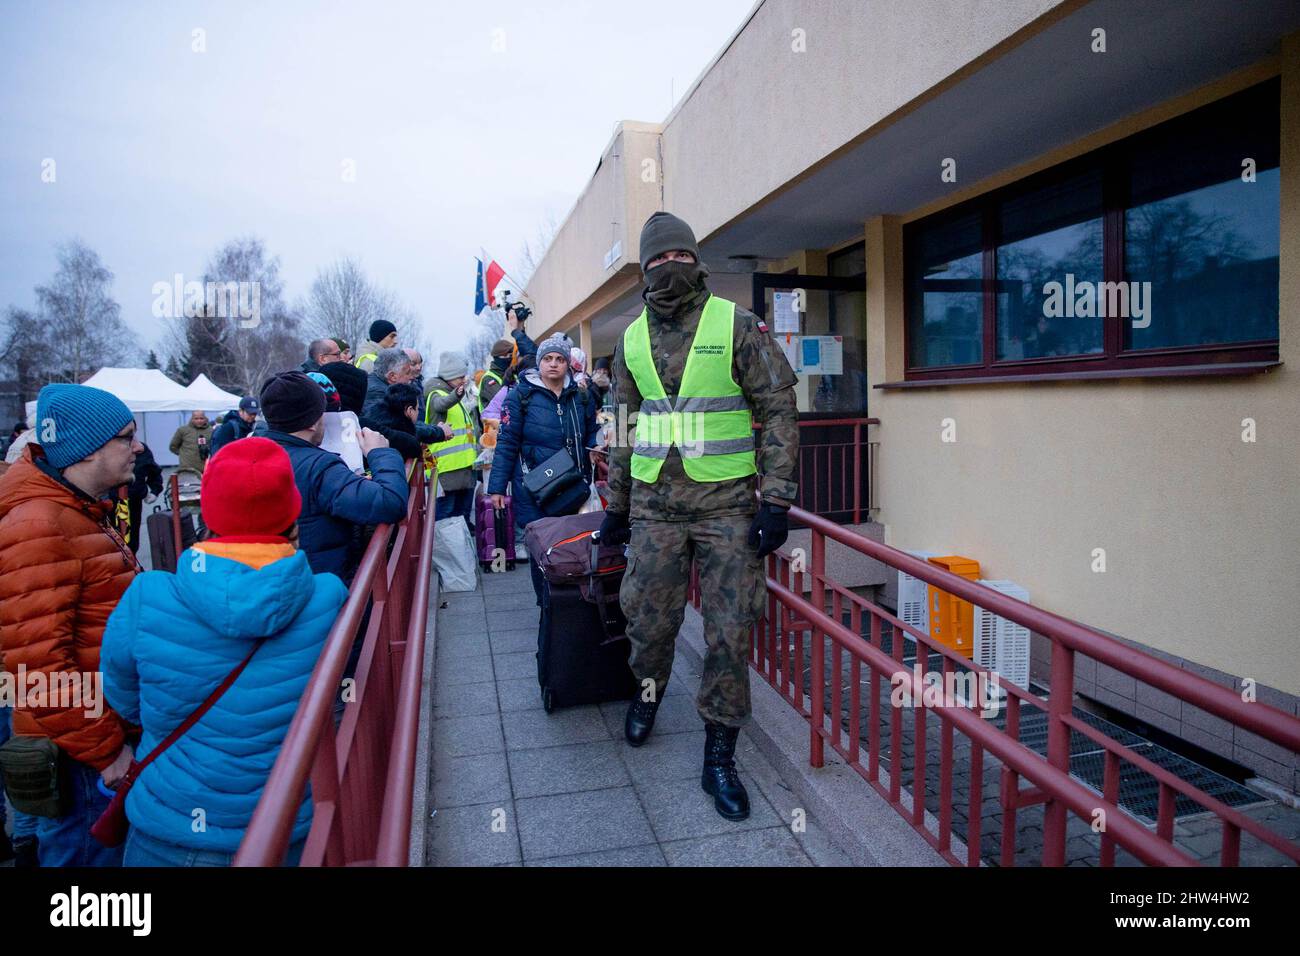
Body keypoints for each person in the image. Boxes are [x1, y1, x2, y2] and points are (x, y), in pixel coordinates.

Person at [598, 211, 798, 822]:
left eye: (677, 255)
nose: (668, 267)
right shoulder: (630, 338)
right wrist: (617, 508)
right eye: (656, 260)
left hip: (727, 508)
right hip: (656, 506)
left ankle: (720, 751)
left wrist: (778, 500)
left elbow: (780, 408)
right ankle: (648, 693)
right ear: (644, 267)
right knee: (647, 618)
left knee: (729, 629)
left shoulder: (737, 324)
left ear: (696, 258)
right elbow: (624, 430)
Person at [100, 437, 347, 867]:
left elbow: (122, 697)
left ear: (208, 513)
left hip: (167, 822)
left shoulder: (147, 596)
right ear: (292, 512)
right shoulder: (328, 598)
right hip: (280, 824)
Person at [0, 383, 142, 865]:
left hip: (90, 739)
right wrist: (107, 754)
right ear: (87, 449)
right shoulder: (41, 525)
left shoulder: (75, 512)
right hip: (81, 755)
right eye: (127, 437)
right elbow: (34, 668)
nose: (138, 447)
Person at [259, 371, 408, 584]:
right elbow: (390, 503)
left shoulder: (251, 456)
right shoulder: (319, 466)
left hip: (271, 585)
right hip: (322, 589)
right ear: (312, 421)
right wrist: (380, 453)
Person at [489, 335, 602, 602]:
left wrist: (595, 444)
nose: (553, 364)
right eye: (548, 359)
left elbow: (591, 431)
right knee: (542, 550)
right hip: (534, 488)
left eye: (560, 359)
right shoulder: (520, 395)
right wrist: (496, 489)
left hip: (573, 485)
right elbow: (507, 442)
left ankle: (572, 606)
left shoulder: (581, 395)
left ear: (567, 364)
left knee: (574, 546)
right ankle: (548, 606)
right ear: (540, 363)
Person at [424, 352, 476, 526]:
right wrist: (457, 395)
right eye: (460, 376)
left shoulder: (451, 391)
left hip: (463, 469)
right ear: (450, 376)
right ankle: (443, 553)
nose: (464, 379)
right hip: (445, 471)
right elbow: (441, 404)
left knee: (461, 518)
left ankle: (461, 552)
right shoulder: (436, 392)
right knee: (445, 519)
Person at [362, 349, 449, 449]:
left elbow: (406, 423)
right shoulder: (376, 393)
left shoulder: (382, 388)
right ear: (392, 376)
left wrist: (435, 428)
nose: (412, 377)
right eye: (407, 373)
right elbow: (401, 427)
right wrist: (439, 432)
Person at [364, 383, 422, 462]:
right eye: (417, 409)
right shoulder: (404, 440)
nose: (418, 412)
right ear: (409, 410)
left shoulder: (372, 416)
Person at [125, 441, 164, 554]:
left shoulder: (139, 448)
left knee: (131, 541)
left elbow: (152, 469)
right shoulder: (104, 446)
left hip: (133, 502)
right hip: (107, 502)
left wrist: (154, 491)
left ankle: (130, 565)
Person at [477, 338, 515, 417]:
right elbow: (504, 402)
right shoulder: (489, 379)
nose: (510, 358)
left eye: (511, 355)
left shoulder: (512, 374)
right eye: (508, 355)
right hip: (494, 425)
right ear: (498, 358)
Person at [169, 409, 213, 475]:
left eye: (201, 418)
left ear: (205, 419)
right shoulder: (183, 430)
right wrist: (184, 454)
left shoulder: (211, 430)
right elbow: (173, 446)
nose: (199, 421)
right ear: (192, 419)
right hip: (188, 469)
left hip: (206, 468)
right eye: (196, 418)